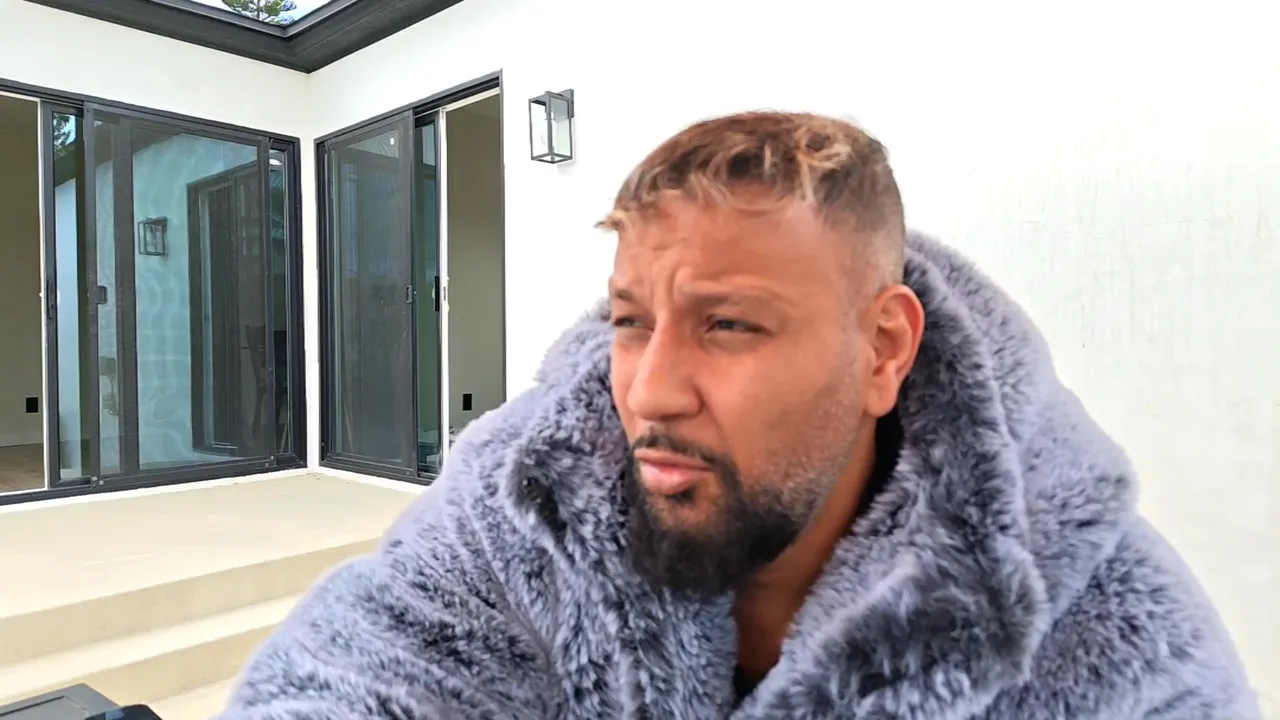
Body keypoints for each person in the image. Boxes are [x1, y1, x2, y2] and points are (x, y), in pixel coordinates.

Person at [218, 112, 1258, 718]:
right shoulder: (527, 497)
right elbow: (350, 675)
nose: (648, 391)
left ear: (883, 351)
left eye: (727, 326)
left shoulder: (1108, 628)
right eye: (631, 322)